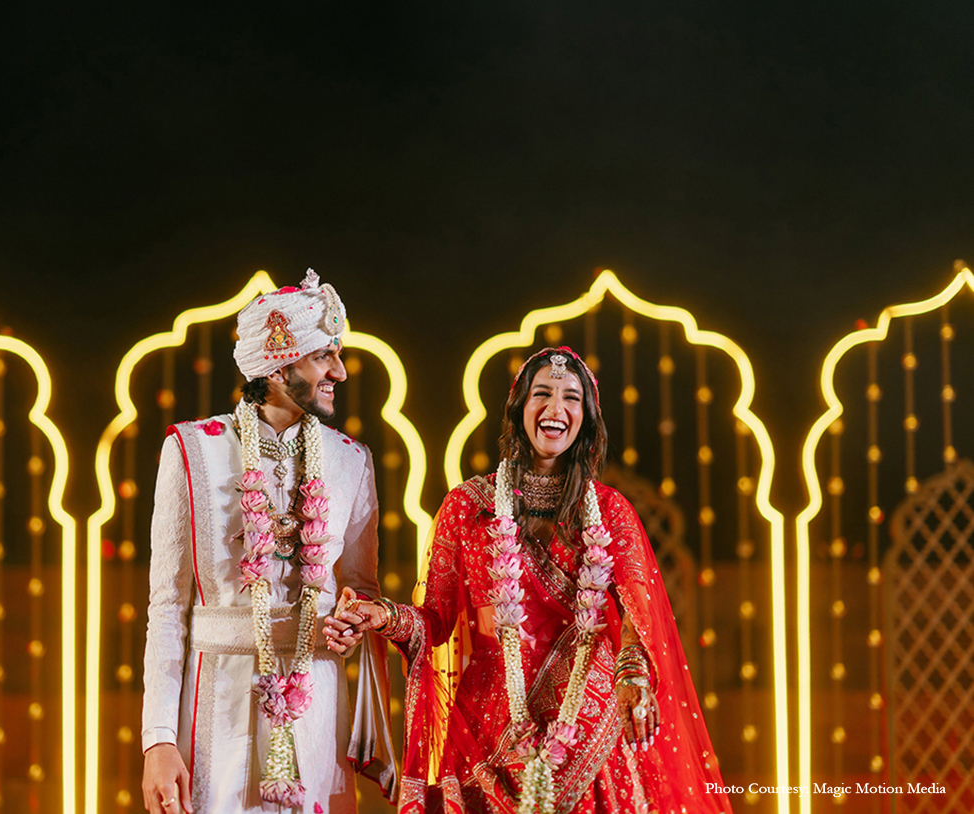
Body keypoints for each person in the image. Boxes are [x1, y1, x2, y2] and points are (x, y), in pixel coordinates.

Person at [327, 347, 732, 813]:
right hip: (489, 731)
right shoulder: (467, 508)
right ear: (519, 406)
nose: (555, 408)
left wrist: (632, 673)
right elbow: (434, 623)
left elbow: (638, 614)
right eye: (542, 393)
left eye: (571, 398)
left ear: (587, 417)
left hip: (589, 728)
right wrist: (382, 615)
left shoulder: (610, 511)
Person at [142, 270, 395, 814]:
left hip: (317, 707)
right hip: (216, 707)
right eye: (323, 357)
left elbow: (362, 590)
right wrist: (158, 740)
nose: (340, 371)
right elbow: (166, 606)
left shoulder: (352, 461)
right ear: (279, 367)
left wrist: (352, 620)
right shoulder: (192, 450)